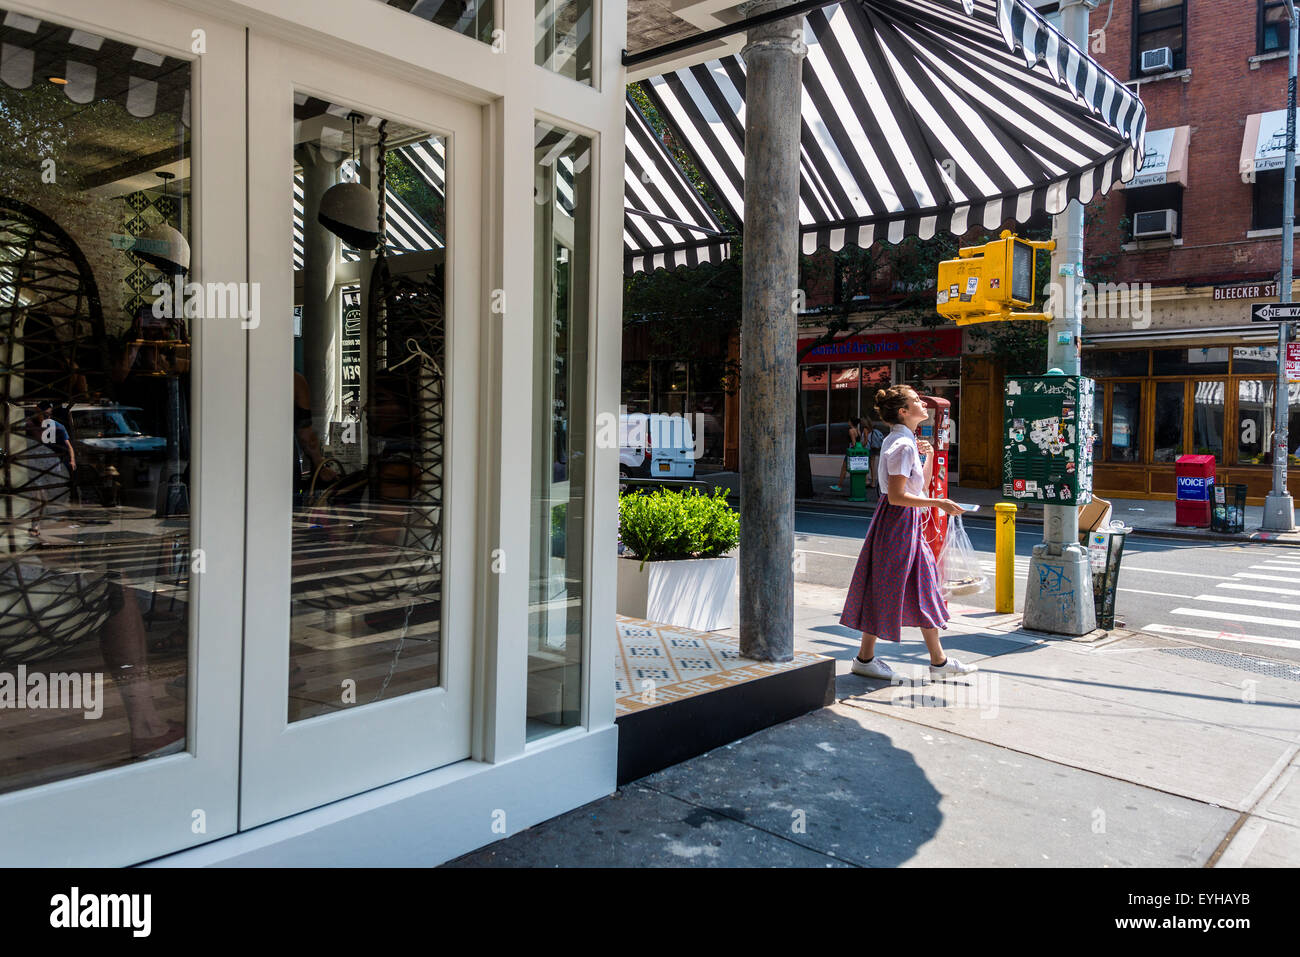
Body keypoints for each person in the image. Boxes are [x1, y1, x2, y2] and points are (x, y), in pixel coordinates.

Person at [840, 385, 976, 681]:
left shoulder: (906, 442)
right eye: (916, 400)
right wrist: (939, 502)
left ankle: (872, 658)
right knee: (910, 587)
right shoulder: (901, 445)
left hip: (900, 523)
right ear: (903, 412)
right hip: (899, 522)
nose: (923, 403)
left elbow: (917, 488)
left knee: (902, 587)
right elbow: (898, 496)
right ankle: (934, 663)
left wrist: (926, 460)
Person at [26, 401, 76, 537]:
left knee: (44, 498)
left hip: (51, 466)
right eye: (44, 414)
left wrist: (72, 460)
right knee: (37, 496)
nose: (46, 417)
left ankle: (38, 522)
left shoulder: (57, 426)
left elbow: (68, 445)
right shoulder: (29, 425)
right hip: (35, 465)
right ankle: (35, 525)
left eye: (49, 414)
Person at [829, 417, 864, 493]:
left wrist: (851, 451)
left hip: (851, 452)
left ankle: (839, 486)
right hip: (857, 452)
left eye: (849, 421)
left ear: (851, 422)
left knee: (844, 469)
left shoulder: (851, 431)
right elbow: (859, 442)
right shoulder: (858, 430)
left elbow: (853, 443)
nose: (848, 422)